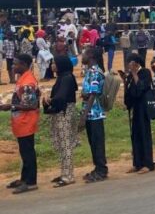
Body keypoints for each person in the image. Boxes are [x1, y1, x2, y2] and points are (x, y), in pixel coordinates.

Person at [1, 54, 40, 194]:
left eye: (15, 64)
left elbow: (30, 104)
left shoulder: (27, 82)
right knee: (25, 152)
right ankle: (24, 178)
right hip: (21, 121)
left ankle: (30, 182)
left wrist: (10, 106)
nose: (13, 66)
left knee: (28, 152)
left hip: (26, 121)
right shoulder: (22, 79)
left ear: (23, 65)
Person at [43, 55, 78, 187]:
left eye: (54, 63)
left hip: (65, 113)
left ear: (61, 64)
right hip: (61, 113)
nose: (52, 65)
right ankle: (64, 172)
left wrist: (49, 100)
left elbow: (61, 97)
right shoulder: (62, 77)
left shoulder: (67, 78)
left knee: (65, 145)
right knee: (62, 144)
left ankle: (68, 176)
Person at [121, 53, 155, 174]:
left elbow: (141, 88)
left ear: (136, 63)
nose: (128, 66)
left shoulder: (145, 73)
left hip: (143, 108)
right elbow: (130, 93)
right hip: (134, 109)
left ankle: (148, 163)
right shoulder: (130, 76)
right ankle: (137, 163)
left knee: (144, 134)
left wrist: (135, 74)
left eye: (130, 63)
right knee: (135, 135)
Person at [81, 46, 108, 183]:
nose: (82, 56)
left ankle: (102, 170)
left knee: (97, 142)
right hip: (90, 112)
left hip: (95, 113)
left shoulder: (95, 72)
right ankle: (97, 167)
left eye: (84, 53)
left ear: (91, 55)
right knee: (93, 142)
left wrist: (84, 115)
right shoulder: (89, 71)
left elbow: (92, 95)